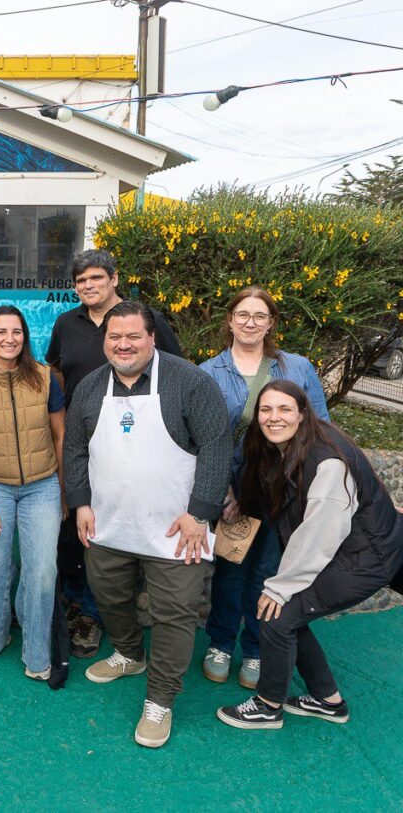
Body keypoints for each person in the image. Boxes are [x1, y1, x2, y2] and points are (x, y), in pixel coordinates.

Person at [64, 301, 231, 749]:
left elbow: (217, 447)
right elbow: (75, 450)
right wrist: (80, 503)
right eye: (114, 337)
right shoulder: (90, 387)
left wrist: (200, 513)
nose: (123, 345)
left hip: (178, 530)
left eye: (133, 336)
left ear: (152, 338)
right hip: (109, 524)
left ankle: (160, 700)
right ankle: (129, 653)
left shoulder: (190, 382)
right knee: (109, 595)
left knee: (175, 615)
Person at [217, 381, 403, 730]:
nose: (274, 418)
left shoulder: (326, 459)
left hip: (364, 557)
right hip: (353, 546)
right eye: (266, 410)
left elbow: (321, 532)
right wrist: (240, 501)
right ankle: (327, 701)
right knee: (288, 615)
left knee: (277, 613)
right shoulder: (282, 445)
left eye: (284, 409)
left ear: (302, 414)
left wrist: (281, 586)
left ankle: (268, 705)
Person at [46, 248, 183, 659]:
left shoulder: (143, 320)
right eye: (81, 280)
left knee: (107, 525)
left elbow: (176, 371)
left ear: (114, 278)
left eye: (96, 278)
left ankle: (92, 613)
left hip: (133, 439)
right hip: (77, 438)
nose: (88, 286)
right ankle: (73, 600)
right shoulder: (65, 323)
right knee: (75, 519)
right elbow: (55, 371)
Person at [198, 287, 329, 690]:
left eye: (259, 315)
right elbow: (204, 438)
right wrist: (222, 492)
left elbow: (319, 424)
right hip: (235, 488)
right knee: (231, 568)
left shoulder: (298, 367)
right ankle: (220, 643)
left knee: (268, 572)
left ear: (271, 323)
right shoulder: (208, 372)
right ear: (230, 321)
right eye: (242, 314)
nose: (250, 322)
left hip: (284, 487)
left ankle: (256, 649)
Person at [0, 306, 66, 681]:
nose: (9, 339)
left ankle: (36, 654)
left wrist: (65, 493)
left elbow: (60, 436)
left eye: (16, 332)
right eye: (1, 332)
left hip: (42, 486)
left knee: (42, 572)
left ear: (25, 336)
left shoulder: (45, 377)